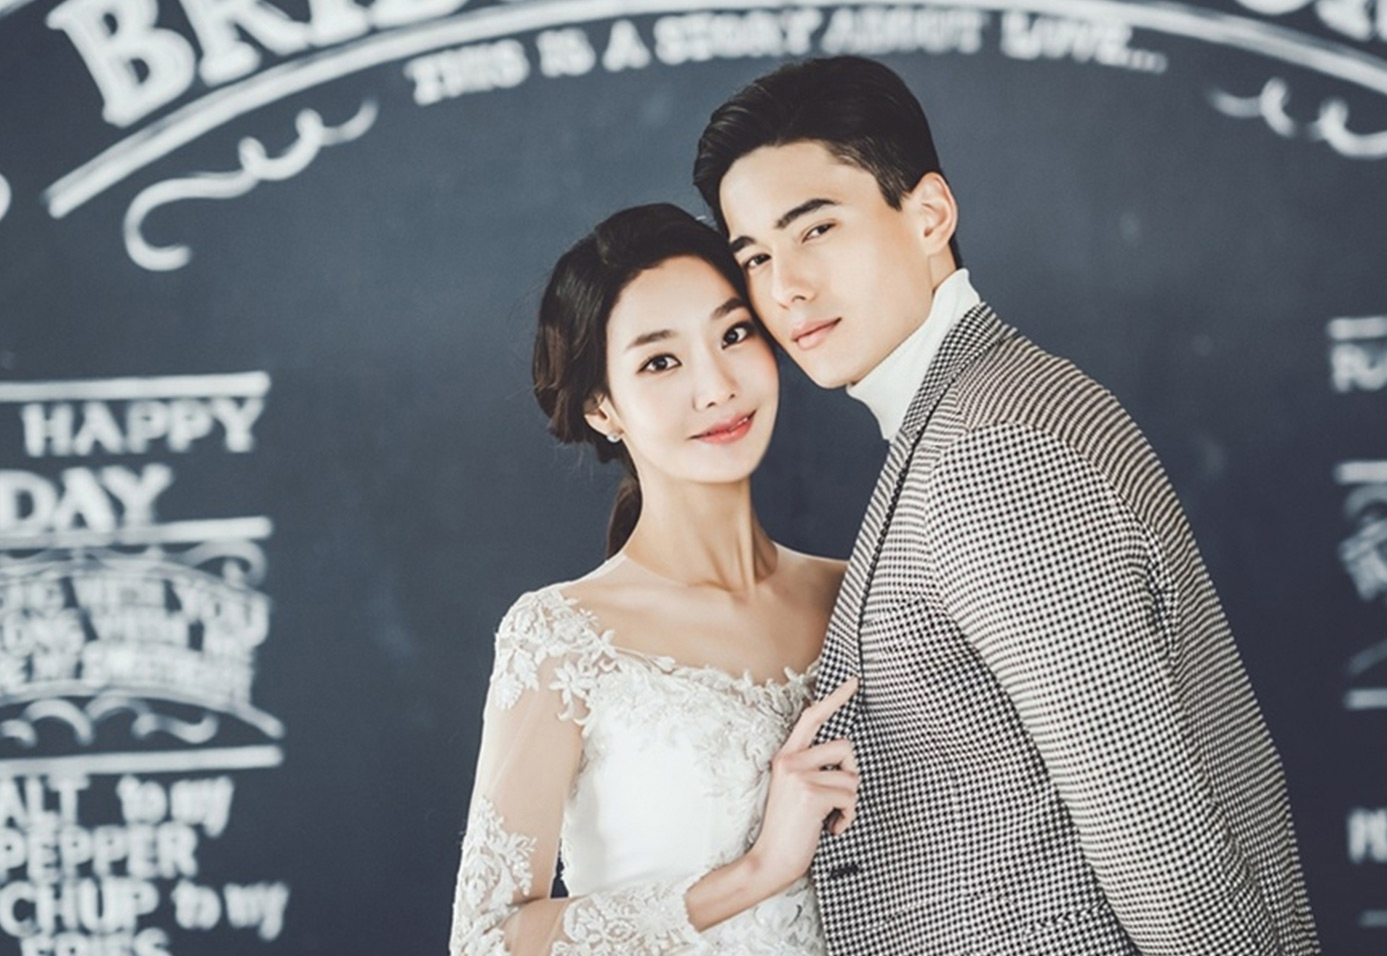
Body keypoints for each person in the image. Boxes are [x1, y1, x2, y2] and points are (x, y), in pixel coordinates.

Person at [693, 56, 1322, 956]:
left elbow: (1159, 842)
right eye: (754, 255)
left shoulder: (994, 451)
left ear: (929, 215)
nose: (783, 286)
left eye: (816, 228)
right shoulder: (983, 406)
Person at [447, 203, 858, 956]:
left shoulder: (859, 594)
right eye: (661, 362)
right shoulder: (562, 638)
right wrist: (758, 870)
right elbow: (486, 939)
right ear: (602, 407)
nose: (716, 386)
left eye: (734, 334)